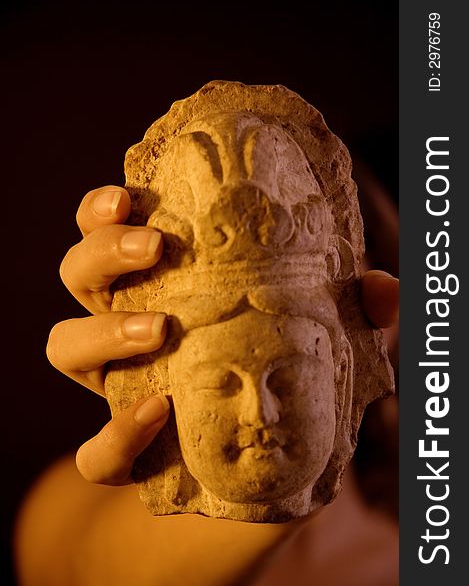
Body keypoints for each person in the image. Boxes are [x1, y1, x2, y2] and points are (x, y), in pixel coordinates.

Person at [14, 186, 399, 586]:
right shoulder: (69, 512)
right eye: (219, 379)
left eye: (289, 368)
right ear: (165, 368)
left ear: (361, 343)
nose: (259, 412)